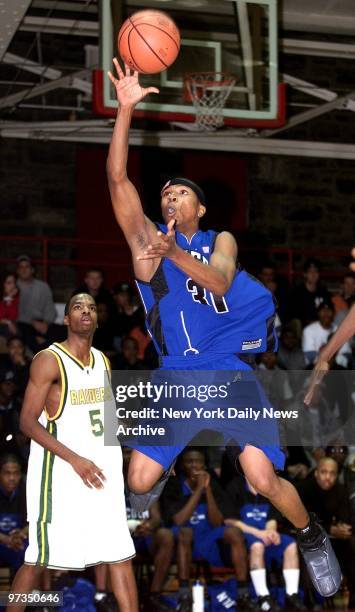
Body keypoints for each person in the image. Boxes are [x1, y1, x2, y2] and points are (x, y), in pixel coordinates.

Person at [106, 59, 341, 598]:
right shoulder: (147, 249)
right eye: (165, 191)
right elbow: (117, 180)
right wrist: (124, 109)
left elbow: (218, 282)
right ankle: (144, 493)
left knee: (262, 479)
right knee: (138, 479)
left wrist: (178, 255)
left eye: (181, 192)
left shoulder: (221, 240)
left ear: (200, 207)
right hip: (175, 379)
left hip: (231, 378)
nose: (170, 195)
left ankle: (309, 535)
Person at [6, 292, 137, 612]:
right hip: (60, 475)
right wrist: (75, 459)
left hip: (102, 475)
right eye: (78, 307)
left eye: (92, 307)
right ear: (66, 319)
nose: (86, 311)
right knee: (38, 558)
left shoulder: (104, 361)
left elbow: (107, 419)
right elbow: (26, 422)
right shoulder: (48, 359)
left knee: (120, 555)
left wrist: (137, 447)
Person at [161, 448, 252, 611]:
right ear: (182, 465)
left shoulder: (212, 483)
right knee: (185, 532)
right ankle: (184, 595)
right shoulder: (174, 484)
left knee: (234, 532)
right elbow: (179, 520)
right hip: (182, 540)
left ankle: (243, 593)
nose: (195, 465)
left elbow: (217, 522)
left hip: (208, 537)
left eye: (199, 462)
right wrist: (198, 491)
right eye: (190, 461)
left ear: (205, 465)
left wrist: (207, 489)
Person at [225, 473, 306, 611]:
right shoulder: (235, 486)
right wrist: (258, 533)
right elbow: (229, 520)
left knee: (291, 544)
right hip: (245, 534)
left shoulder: (270, 486)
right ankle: (263, 596)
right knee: (257, 546)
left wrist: (271, 532)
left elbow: (272, 517)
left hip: (265, 534)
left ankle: (291, 595)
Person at [297, 457, 355, 607]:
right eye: (323, 472)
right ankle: (313, 599)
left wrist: (343, 528)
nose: (327, 477)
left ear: (337, 475)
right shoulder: (304, 488)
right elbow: (304, 519)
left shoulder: (341, 490)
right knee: (308, 552)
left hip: (332, 537)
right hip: (307, 536)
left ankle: (353, 596)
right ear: (316, 472)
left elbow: (346, 517)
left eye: (332, 473)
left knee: (351, 546)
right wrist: (331, 528)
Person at [305, 302, 355, 405]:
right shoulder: (310, 330)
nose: (326, 313)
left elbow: (347, 355)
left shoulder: (335, 327)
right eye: (323, 310)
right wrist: (325, 357)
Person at [16, 255, 57, 352]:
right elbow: (14, 312)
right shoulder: (13, 286)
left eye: (27, 267)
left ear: (32, 270)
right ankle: (39, 361)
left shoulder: (43, 287)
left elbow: (50, 308)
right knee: (26, 333)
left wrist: (46, 323)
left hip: (43, 322)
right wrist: (32, 322)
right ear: (17, 270)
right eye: (21, 267)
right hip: (23, 322)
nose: (24, 270)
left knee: (63, 332)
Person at [0, 453, 27, 572]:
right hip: (2, 541)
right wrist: (5, 539)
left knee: (38, 549)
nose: (12, 478)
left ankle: (43, 589)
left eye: (15, 473)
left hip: (18, 541)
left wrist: (21, 533)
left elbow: (36, 521)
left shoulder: (26, 491)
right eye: (7, 473)